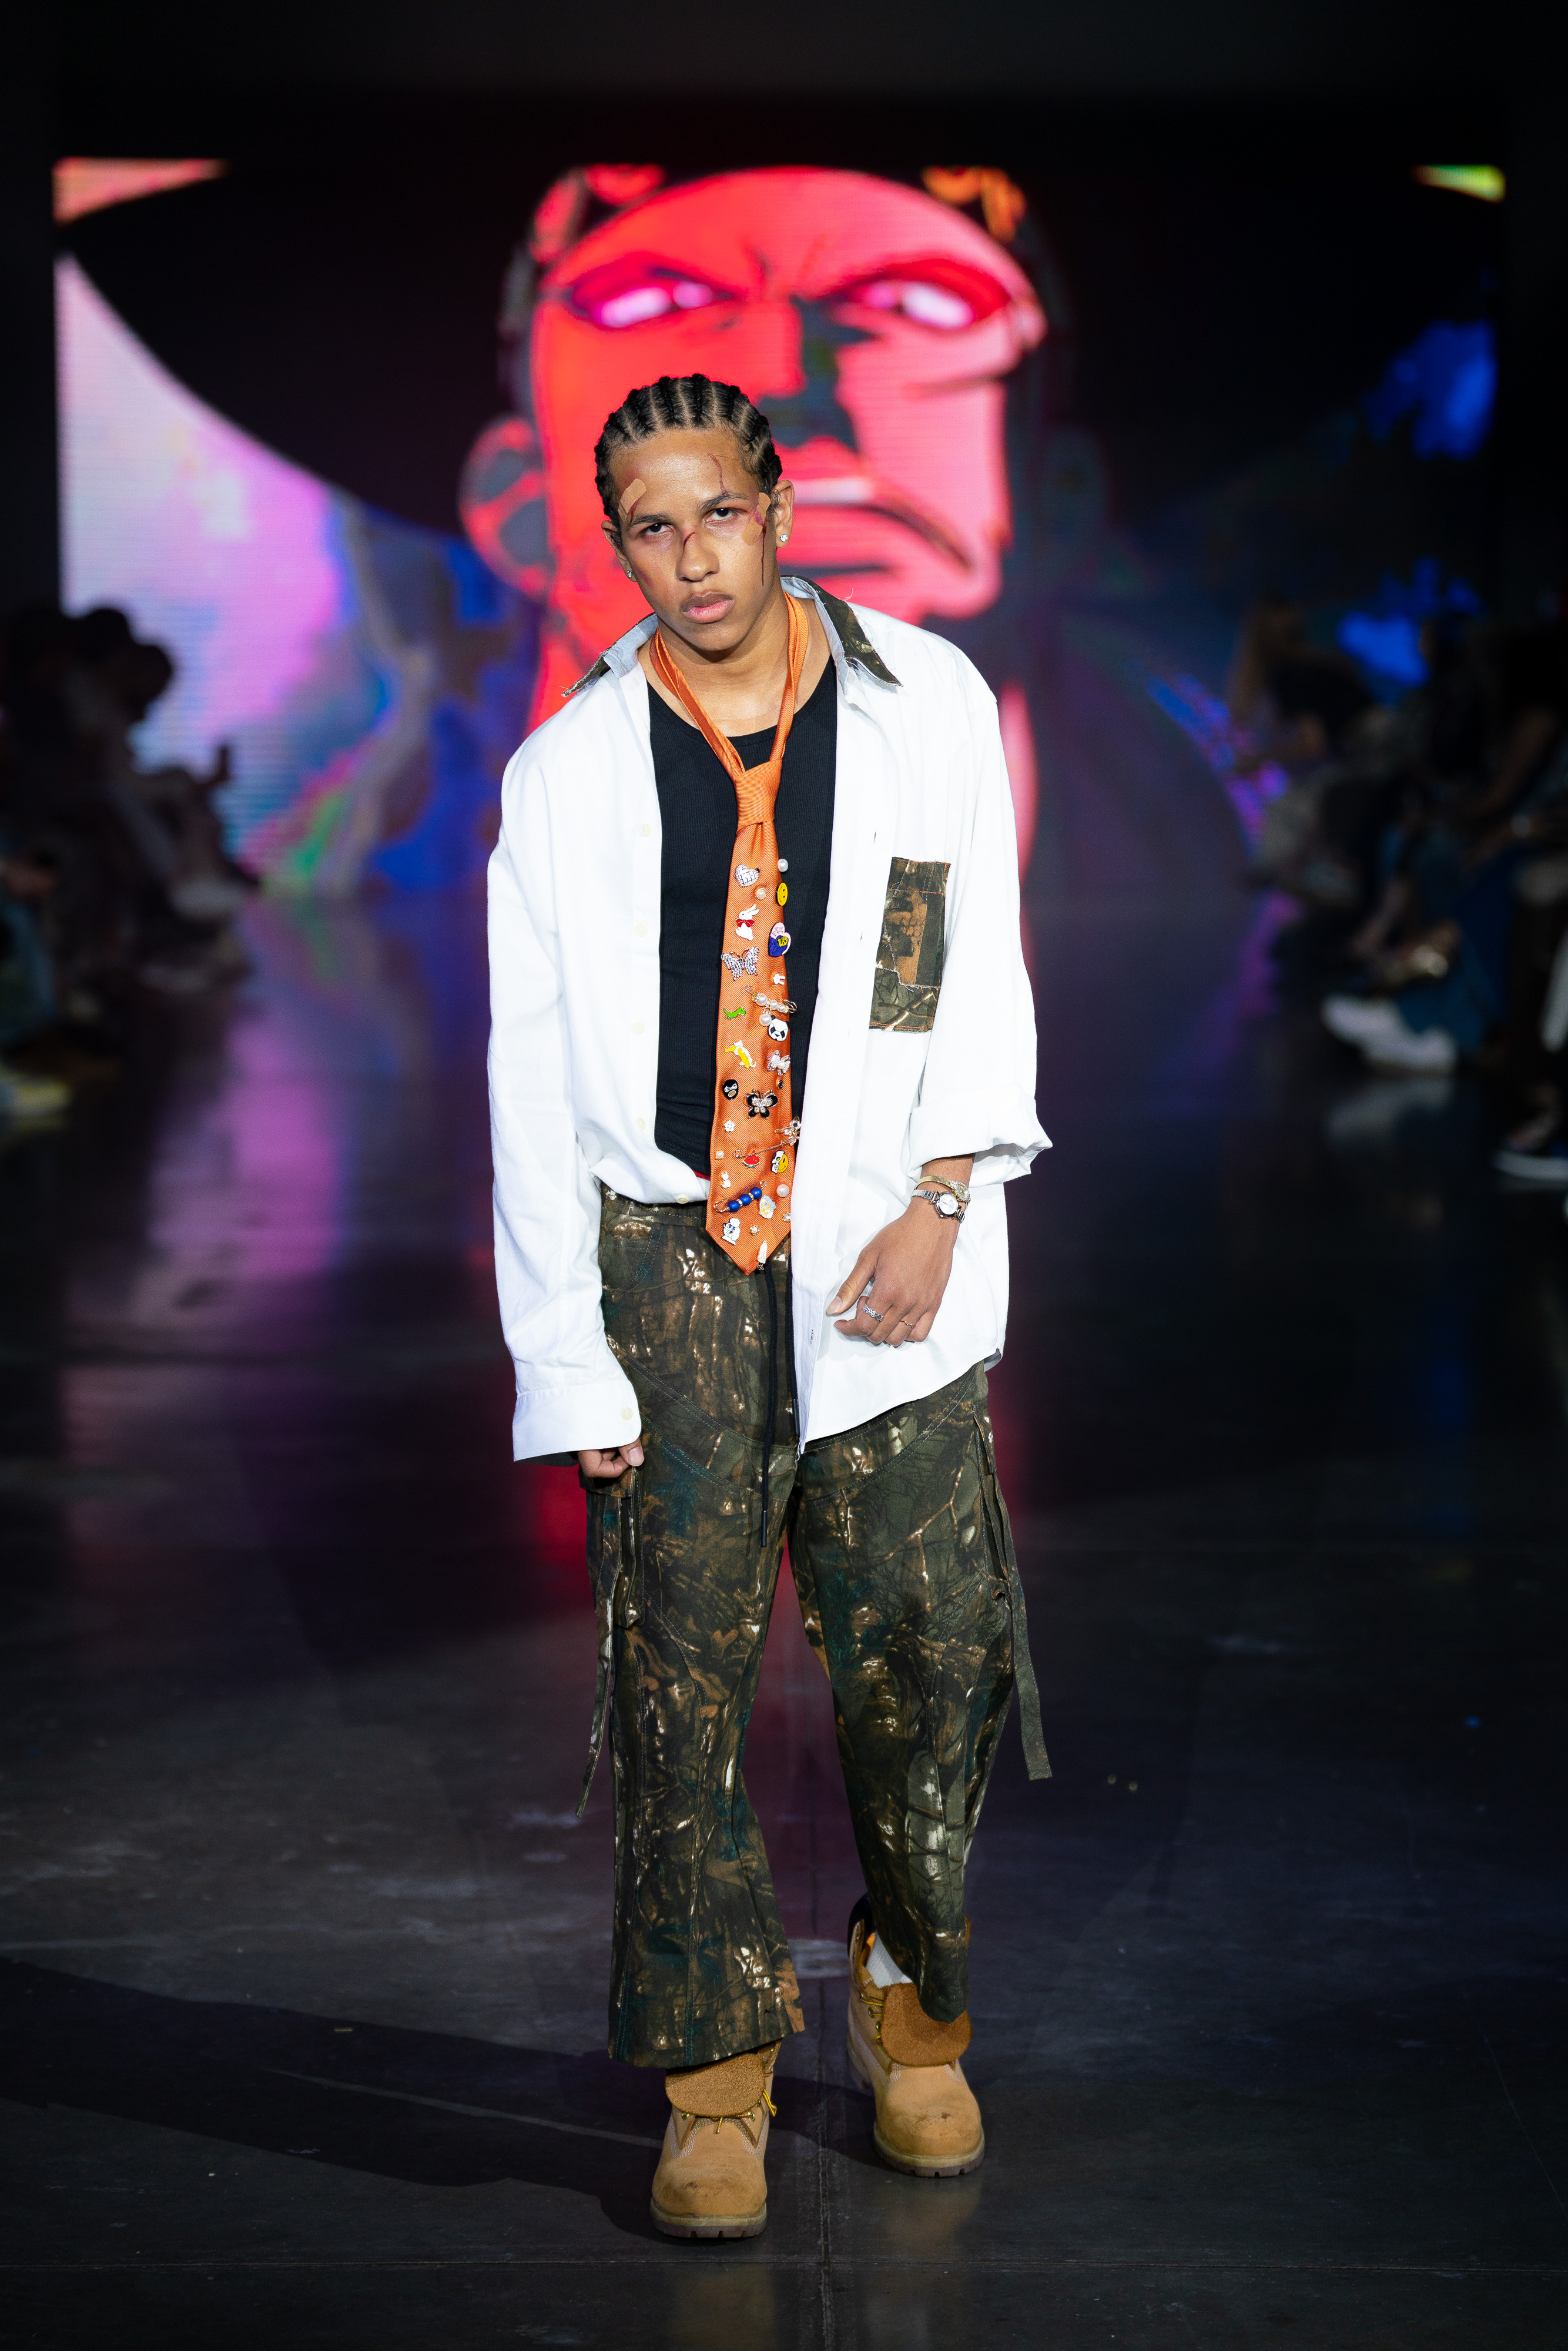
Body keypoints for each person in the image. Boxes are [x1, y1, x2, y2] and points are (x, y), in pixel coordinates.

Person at [487, 371, 1048, 2240]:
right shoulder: (564, 771)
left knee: (925, 1664)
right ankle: (713, 2078)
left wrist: (942, 1198)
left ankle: (913, 2011)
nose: (691, 559)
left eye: (716, 513)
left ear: (778, 507)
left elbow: (962, 961)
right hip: (668, 1256)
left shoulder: (921, 698)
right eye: (649, 529)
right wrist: (564, 1353)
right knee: (678, 1691)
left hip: (885, 1234)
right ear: (617, 546)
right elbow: (527, 1082)